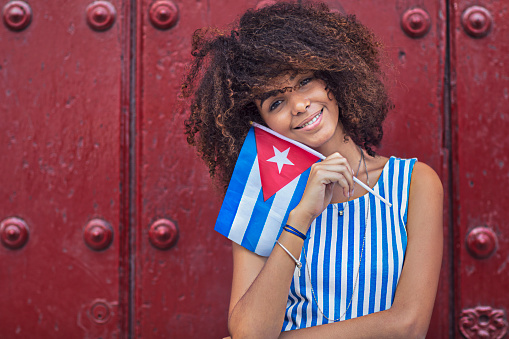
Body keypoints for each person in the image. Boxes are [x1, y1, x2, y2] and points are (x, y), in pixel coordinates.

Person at [181, 2, 443, 338]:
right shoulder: (265, 195)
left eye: (305, 81)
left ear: (332, 78)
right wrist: (301, 216)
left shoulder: (413, 184)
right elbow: (249, 331)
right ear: (263, 124)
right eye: (275, 102)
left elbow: (408, 325)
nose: (299, 105)